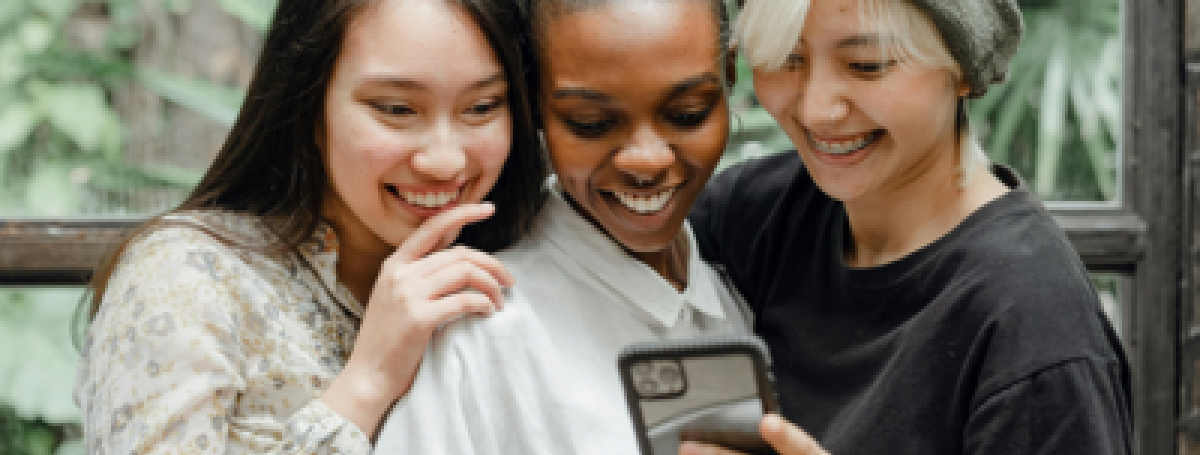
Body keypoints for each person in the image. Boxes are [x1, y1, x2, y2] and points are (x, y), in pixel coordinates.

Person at [73, 0, 547, 452]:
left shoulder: (532, 266)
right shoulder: (186, 279)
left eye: (483, 107)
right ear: (307, 105)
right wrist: (367, 382)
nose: (445, 161)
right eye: (397, 109)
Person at [686, 0, 1133, 453]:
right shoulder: (755, 211)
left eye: (866, 66)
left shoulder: (1033, 323)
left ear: (960, 69)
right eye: (787, 61)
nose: (818, 109)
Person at [372, 0, 746, 453]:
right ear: (533, 103)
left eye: (687, 114)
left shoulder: (735, 286)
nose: (646, 160)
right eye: (591, 124)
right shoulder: (481, 331)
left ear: (730, 72)